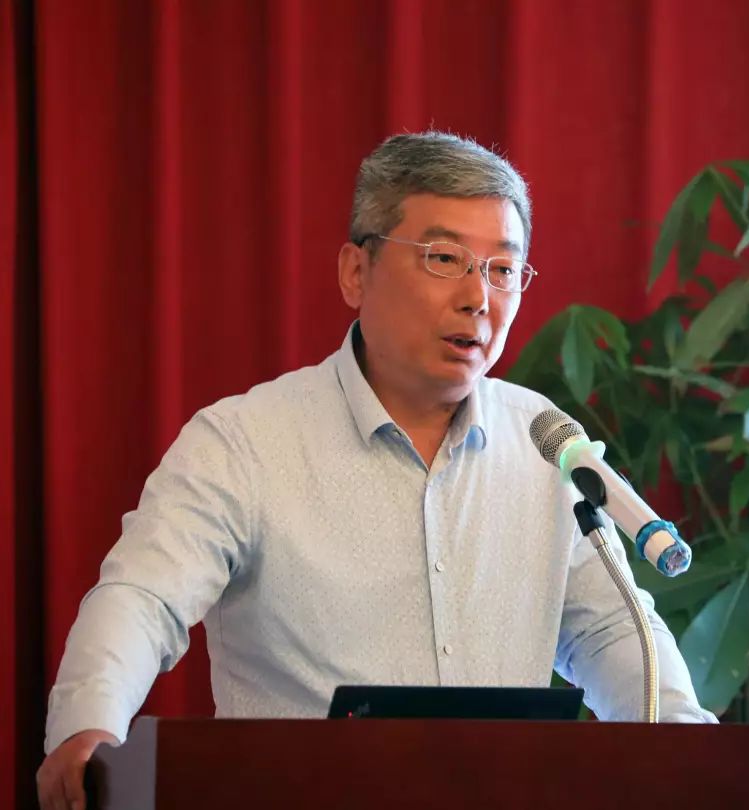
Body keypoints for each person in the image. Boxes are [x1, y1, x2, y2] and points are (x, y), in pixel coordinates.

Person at [36, 131, 715, 810]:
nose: (479, 297)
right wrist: (89, 724)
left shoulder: (545, 441)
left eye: (504, 269)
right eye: (444, 258)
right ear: (355, 272)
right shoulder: (244, 442)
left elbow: (609, 629)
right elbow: (144, 598)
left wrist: (696, 752)